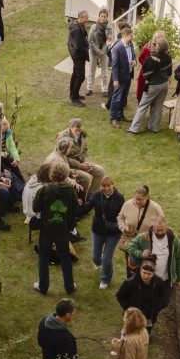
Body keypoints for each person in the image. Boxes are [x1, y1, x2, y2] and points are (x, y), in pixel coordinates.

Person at [33, 162, 79, 295]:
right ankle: (69, 286)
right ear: (66, 174)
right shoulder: (71, 190)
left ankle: (43, 286)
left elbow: (35, 208)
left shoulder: (45, 189)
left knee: (43, 256)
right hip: (63, 229)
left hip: (46, 228)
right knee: (65, 256)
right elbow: (76, 210)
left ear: (52, 174)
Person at [125, 217, 180, 305]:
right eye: (157, 230)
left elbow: (179, 258)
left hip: (165, 280)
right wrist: (140, 253)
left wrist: (179, 278)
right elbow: (130, 246)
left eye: (162, 230)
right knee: (144, 301)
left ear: (166, 228)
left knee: (163, 303)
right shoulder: (144, 237)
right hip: (147, 279)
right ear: (153, 227)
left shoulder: (174, 241)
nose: (160, 233)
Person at [82, 177, 125, 289]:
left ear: (113, 185)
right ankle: (101, 263)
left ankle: (105, 279)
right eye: (103, 186)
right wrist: (80, 205)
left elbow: (123, 215)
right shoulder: (97, 195)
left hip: (113, 232)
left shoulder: (119, 198)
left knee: (107, 258)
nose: (106, 188)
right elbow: (86, 208)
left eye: (108, 186)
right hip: (98, 231)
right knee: (96, 257)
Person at [127, 38, 172, 134]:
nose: (153, 45)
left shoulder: (151, 58)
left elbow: (146, 72)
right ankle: (154, 127)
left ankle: (134, 128)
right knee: (158, 106)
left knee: (142, 106)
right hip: (165, 84)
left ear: (158, 46)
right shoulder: (168, 57)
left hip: (154, 84)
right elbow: (169, 72)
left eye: (155, 44)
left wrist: (149, 79)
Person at [54, 118, 105, 200]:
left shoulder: (82, 135)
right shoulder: (62, 137)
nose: (78, 132)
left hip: (81, 162)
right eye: (76, 130)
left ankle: (91, 198)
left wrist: (86, 162)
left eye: (79, 130)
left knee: (100, 170)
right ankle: (81, 198)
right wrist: (80, 165)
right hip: (68, 166)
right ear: (70, 127)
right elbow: (62, 157)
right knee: (86, 177)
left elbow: (85, 150)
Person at [115, 261, 169, 334]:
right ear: (140, 271)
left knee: (146, 334)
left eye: (149, 274)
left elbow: (164, 296)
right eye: (144, 273)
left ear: (153, 274)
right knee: (130, 333)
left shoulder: (158, 282)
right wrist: (128, 309)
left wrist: (157, 308)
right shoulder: (130, 282)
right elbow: (120, 296)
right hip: (134, 314)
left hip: (150, 314)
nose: (146, 276)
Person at [117, 185, 164, 258]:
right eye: (136, 199)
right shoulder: (127, 204)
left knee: (145, 266)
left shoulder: (155, 208)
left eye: (141, 199)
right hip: (130, 242)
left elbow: (162, 224)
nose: (138, 202)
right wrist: (124, 228)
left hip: (147, 243)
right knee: (130, 265)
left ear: (146, 197)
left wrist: (151, 233)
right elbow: (120, 218)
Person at [108, 25, 136, 128]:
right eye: (131, 36)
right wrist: (115, 80)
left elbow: (133, 55)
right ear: (125, 36)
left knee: (124, 97)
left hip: (128, 75)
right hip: (119, 77)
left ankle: (120, 115)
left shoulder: (131, 44)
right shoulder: (117, 48)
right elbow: (114, 65)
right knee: (116, 98)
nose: (132, 37)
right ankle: (113, 118)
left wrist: (134, 61)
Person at [87, 8, 112, 98]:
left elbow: (109, 41)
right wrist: (98, 50)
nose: (103, 18)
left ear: (107, 18)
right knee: (91, 70)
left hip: (104, 51)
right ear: (99, 16)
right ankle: (89, 88)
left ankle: (105, 90)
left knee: (104, 71)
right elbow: (90, 40)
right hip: (94, 50)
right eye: (101, 16)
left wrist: (103, 51)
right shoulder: (94, 26)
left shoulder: (109, 28)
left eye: (105, 16)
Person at [67, 11, 90, 106]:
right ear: (80, 17)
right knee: (80, 76)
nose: (87, 19)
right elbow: (77, 46)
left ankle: (73, 94)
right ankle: (74, 98)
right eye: (86, 18)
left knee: (75, 74)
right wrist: (86, 48)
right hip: (78, 56)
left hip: (76, 55)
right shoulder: (76, 29)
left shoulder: (78, 25)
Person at [135, 30, 164, 103]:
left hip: (156, 73)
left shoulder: (162, 48)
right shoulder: (147, 47)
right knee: (142, 87)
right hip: (145, 72)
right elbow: (140, 57)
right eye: (158, 37)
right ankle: (140, 103)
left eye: (161, 38)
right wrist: (146, 65)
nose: (160, 39)